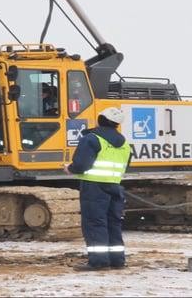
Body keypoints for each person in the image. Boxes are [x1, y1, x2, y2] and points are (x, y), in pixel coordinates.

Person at [64, 107, 131, 271]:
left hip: (94, 186)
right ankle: (117, 260)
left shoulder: (92, 138)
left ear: (100, 119)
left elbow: (81, 164)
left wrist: (70, 169)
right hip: (115, 186)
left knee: (95, 223)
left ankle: (99, 262)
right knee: (113, 223)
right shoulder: (124, 143)